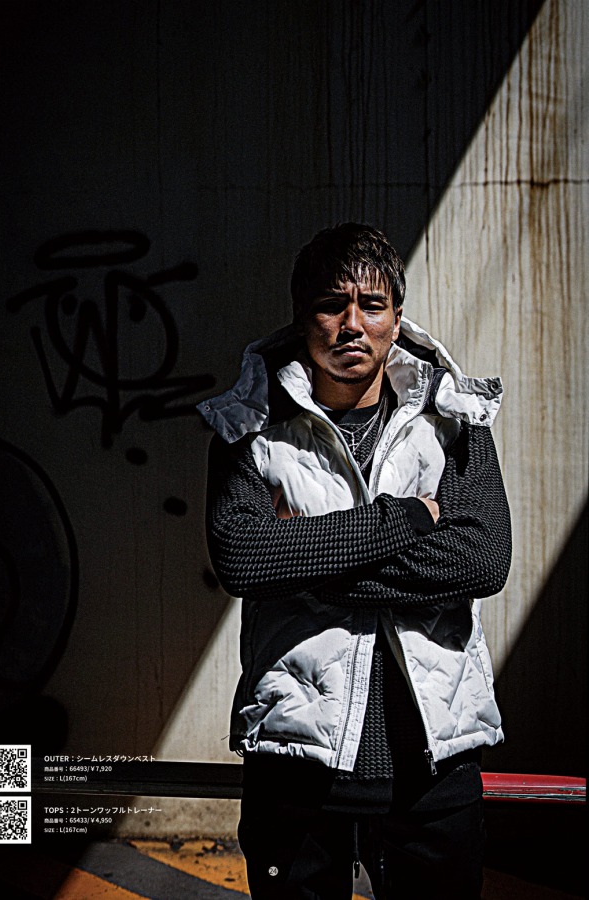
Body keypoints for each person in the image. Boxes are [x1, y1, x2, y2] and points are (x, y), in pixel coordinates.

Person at [197, 222, 511, 899]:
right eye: (329, 305)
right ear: (300, 316)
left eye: (371, 305)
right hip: (296, 758)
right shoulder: (249, 425)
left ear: (397, 317)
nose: (351, 325)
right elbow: (245, 560)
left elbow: (483, 559)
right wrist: (407, 520)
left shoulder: (453, 417)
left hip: (433, 766)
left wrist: (306, 557)